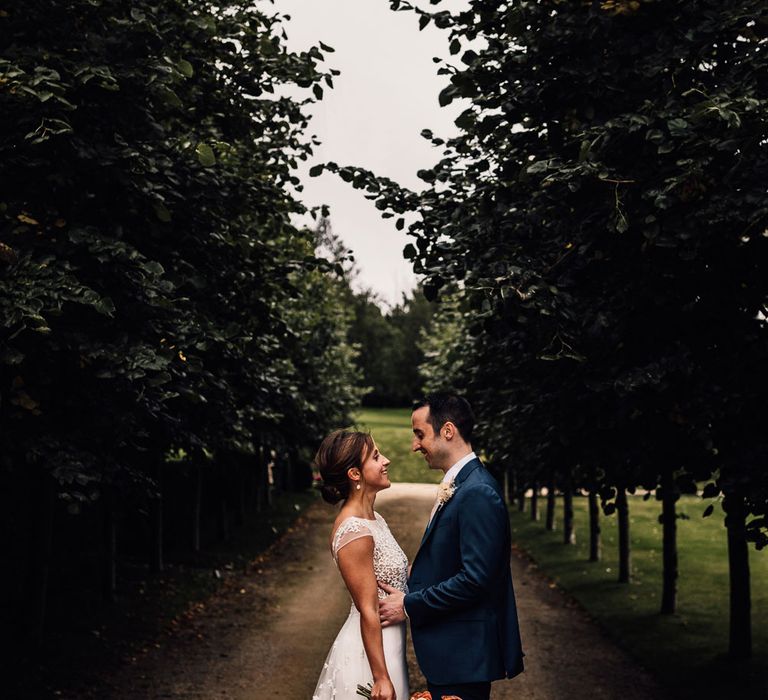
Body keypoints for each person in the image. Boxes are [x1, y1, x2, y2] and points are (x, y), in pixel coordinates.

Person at [378, 393, 525, 700]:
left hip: (463, 656)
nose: (414, 445)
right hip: (455, 655)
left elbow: (475, 580)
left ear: (447, 431)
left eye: (420, 434)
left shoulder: (477, 492)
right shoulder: (463, 484)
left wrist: (408, 604)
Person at [312, 430, 409, 700]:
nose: (386, 461)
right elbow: (368, 610)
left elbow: (397, 577)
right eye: (376, 457)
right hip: (369, 657)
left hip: (391, 645)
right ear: (355, 474)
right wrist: (380, 677)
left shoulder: (375, 518)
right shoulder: (354, 531)